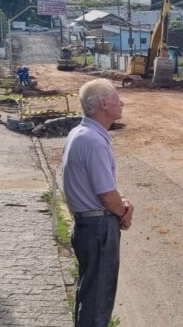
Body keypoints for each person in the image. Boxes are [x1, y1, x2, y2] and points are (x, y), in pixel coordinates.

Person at [62, 78, 133, 327]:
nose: (121, 103)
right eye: (116, 98)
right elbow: (105, 194)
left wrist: (120, 203)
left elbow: (102, 188)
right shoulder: (93, 140)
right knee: (98, 300)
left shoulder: (80, 134)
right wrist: (124, 211)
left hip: (87, 225)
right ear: (104, 104)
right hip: (98, 229)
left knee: (89, 294)